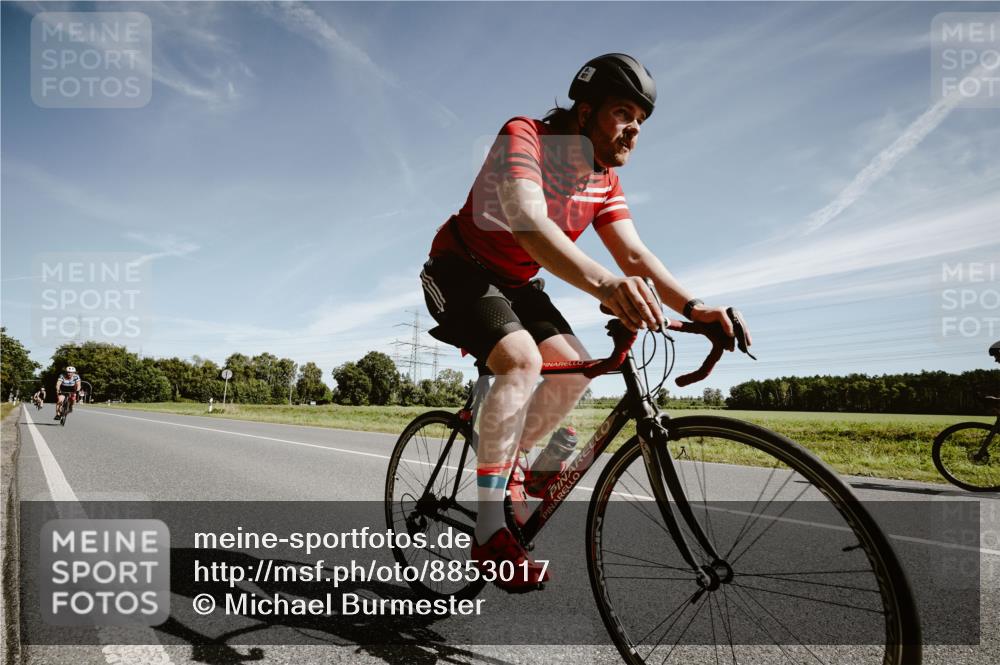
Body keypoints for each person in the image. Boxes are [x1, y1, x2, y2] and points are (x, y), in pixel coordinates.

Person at [420, 54, 750, 592]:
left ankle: (509, 465)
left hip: (519, 284)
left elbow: (636, 257)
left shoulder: (605, 182)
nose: (634, 130)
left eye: (642, 121)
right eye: (624, 113)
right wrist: (606, 285)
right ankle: (488, 533)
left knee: (573, 372)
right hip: (460, 269)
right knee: (522, 359)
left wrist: (694, 307)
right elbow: (528, 223)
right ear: (586, 108)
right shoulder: (524, 136)